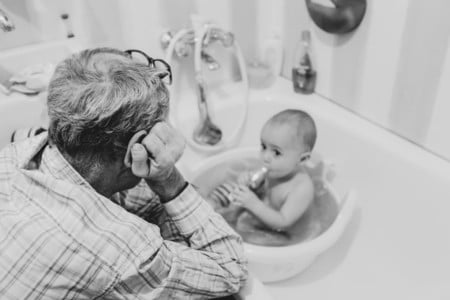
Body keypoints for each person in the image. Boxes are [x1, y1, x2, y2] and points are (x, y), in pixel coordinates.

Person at [0, 48, 247, 299]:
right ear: (136, 148)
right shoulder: (114, 246)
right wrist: (169, 179)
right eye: (161, 129)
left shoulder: (15, 153)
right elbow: (230, 269)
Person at [211, 109, 316, 244]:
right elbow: (260, 188)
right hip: (264, 214)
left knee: (251, 237)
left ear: (302, 159)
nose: (265, 157)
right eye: (263, 146)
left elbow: (283, 222)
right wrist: (248, 180)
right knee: (227, 203)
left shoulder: (301, 188)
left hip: (284, 233)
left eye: (276, 152)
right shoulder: (277, 169)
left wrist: (253, 204)